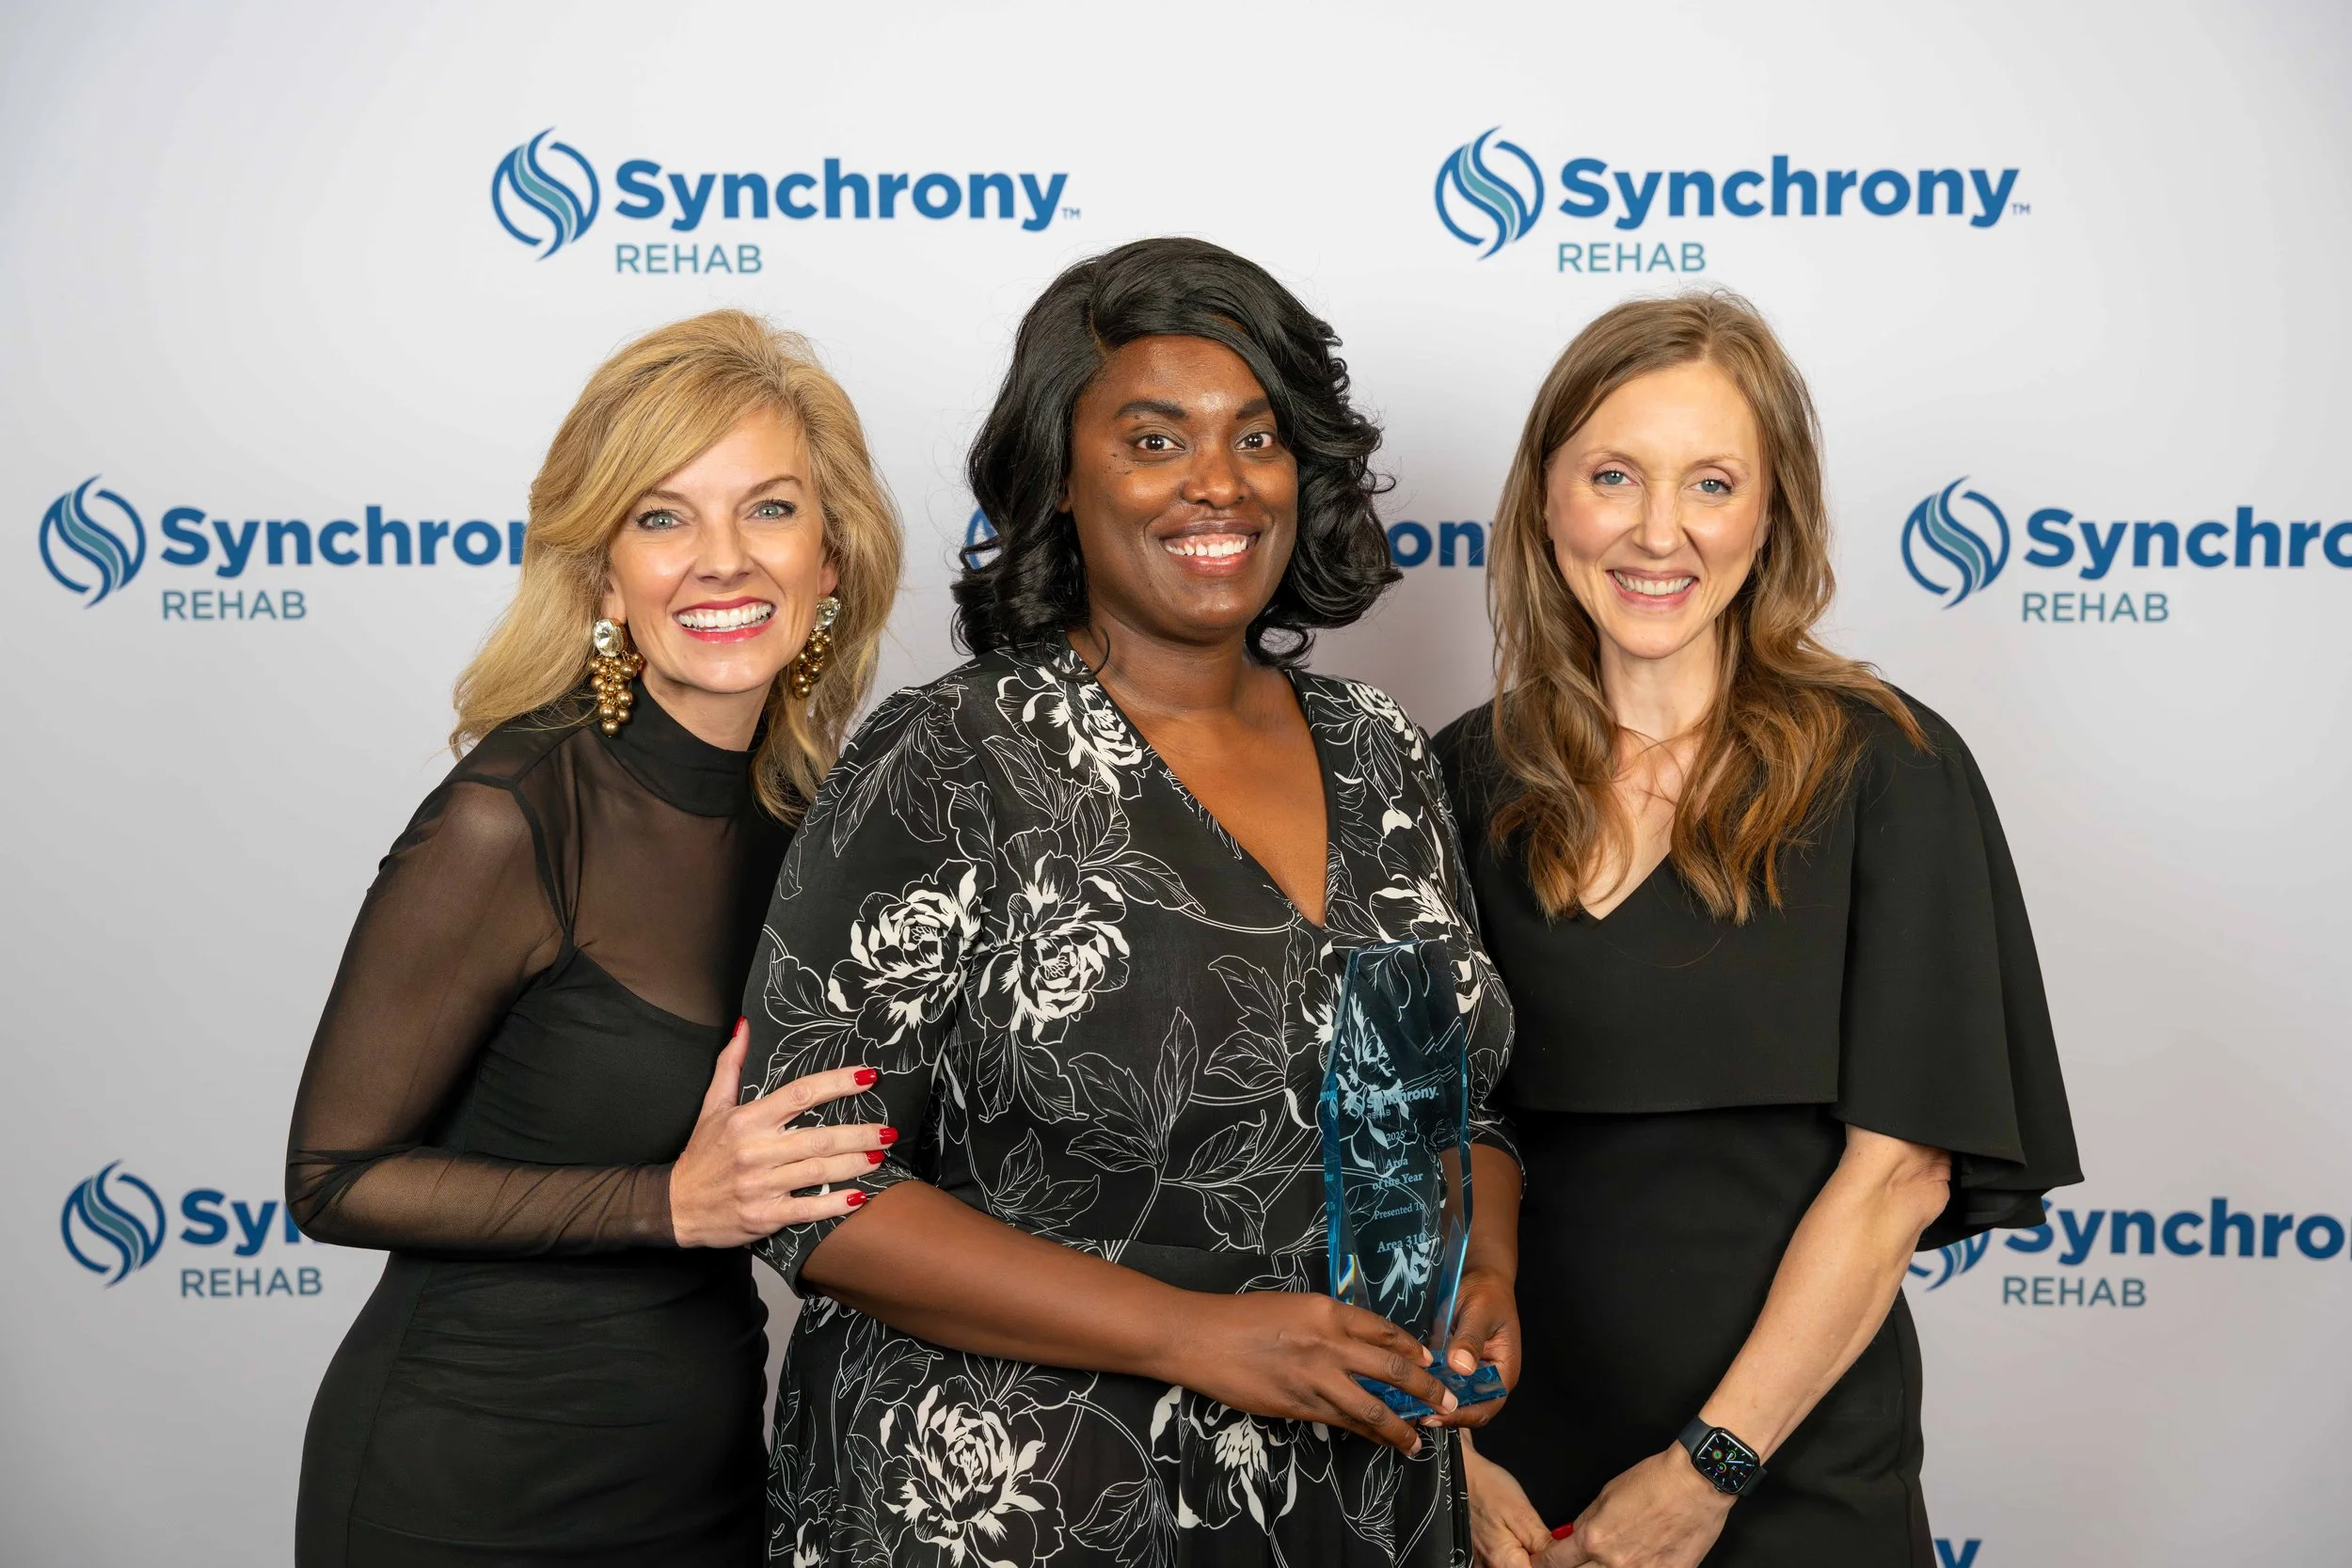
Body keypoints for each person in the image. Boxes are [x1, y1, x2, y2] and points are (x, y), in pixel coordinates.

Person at [741, 237, 1520, 1567]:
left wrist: (1480, 1268)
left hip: (1343, 1503)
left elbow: (1436, 1107)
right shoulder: (953, 757)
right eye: (1154, 441)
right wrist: (1197, 1335)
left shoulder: (1379, 749)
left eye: (1255, 437)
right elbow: (814, 1189)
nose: (1217, 482)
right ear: (1057, 481)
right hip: (1022, 1506)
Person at [1438, 292, 2080, 1568]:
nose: (1657, 531)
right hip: (1513, 1478)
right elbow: (1417, 1149)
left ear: (1771, 510)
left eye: (1712, 482)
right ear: (1546, 498)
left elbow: (1900, 1171)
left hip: (1788, 1472)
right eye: (1613, 475)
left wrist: (1706, 1470)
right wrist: (1449, 1453)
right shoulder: (1457, 777)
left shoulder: (1890, 770)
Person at [286, 310, 903, 1567]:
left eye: (769, 509)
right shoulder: (511, 819)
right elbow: (332, 1176)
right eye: (663, 516)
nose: (721, 560)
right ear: (603, 575)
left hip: (707, 1476)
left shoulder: (814, 819)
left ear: (830, 559)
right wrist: (667, 1201)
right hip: (469, 1489)